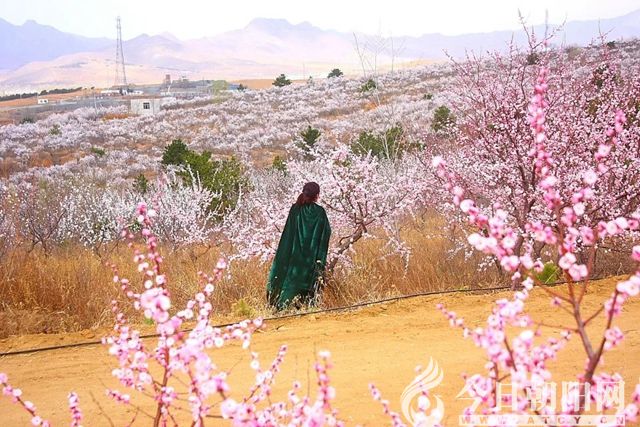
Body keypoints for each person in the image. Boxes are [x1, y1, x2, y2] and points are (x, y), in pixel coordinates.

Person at [267, 182, 331, 310]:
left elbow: (288, 233)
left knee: (290, 278)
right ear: (317, 195)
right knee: (308, 280)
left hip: (293, 254)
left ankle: (282, 306)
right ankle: (305, 306)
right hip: (311, 256)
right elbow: (326, 232)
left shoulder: (295, 209)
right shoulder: (319, 212)